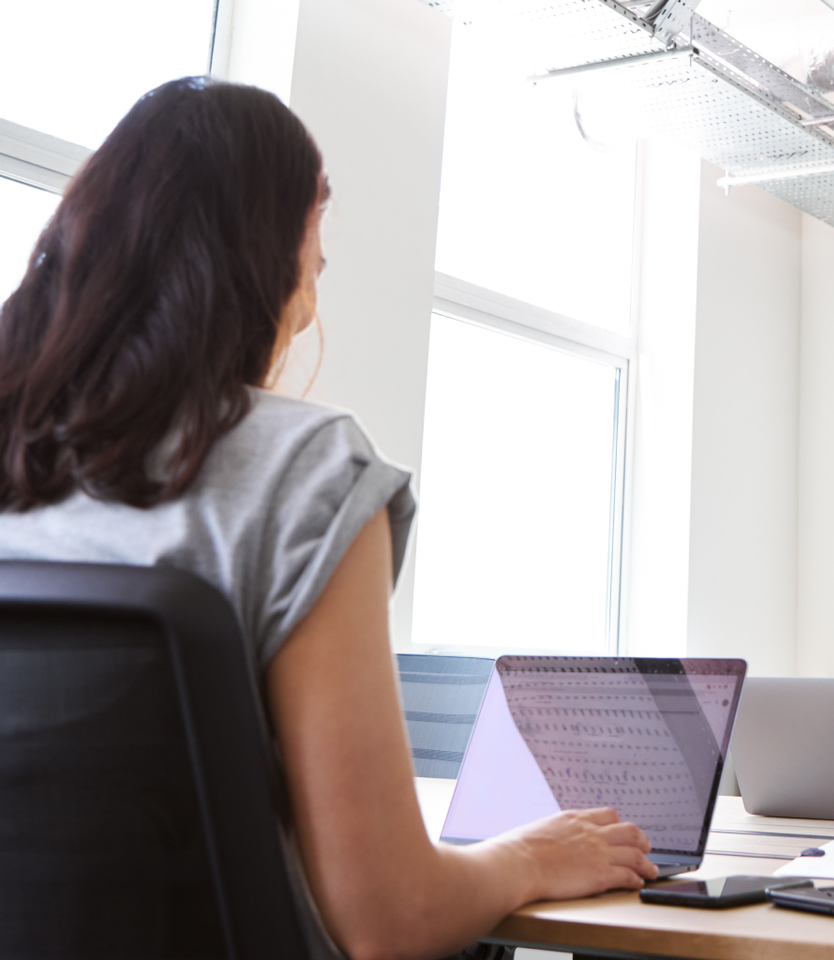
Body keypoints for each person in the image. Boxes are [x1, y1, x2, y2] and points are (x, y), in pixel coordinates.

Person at [0, 78, 653, 960]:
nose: (317, 277)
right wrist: (532, 856)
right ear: (269, 261)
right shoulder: (303, 467)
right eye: (315, 248)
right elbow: (388, 919)